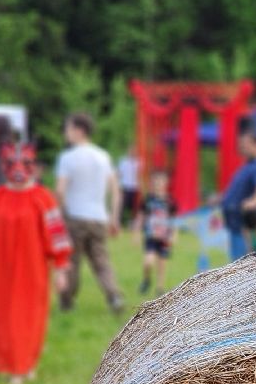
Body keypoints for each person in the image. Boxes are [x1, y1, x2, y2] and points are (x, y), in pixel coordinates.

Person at [0, 141, 71, 384]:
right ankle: (9, 363)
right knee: (2, 317)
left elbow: (57, 236)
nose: (18, 168)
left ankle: (23, 366)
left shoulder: (42, 198)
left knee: (26, 315)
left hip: (31, 271)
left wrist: (61, 268)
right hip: (1, 271)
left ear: (33, 165)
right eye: (11, 163)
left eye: (25, 163)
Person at [55, 112, 123, 313]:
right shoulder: (103, 156)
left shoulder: (67, 158)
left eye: (68, 129)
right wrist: (114, 217)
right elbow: (115, 191)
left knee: (72, 262)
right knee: (101, 262)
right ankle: (114, 296)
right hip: (99, 217)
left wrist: (61, 214)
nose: (66, 133)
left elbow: (60, 191)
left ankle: (67, 301)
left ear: (79, 130)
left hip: (75, 217)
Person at [221, 127, 256, 261]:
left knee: (242, 261)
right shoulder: (248, 165)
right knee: (236, 260)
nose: (242, 148)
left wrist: (253, 203)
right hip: (234, 222)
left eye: (245, 145)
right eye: (241, 145)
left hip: (244, 224)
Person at [137, 169, 174, 296]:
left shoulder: (170, 201)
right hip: (151, 236)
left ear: (166, 183)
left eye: (161, 181)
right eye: (156, 181)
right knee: (148, 262)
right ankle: (146, 279)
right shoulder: (148, 200)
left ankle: (160, 288)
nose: (158, 183)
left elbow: (174, 220)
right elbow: (141, 216)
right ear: (152, 183)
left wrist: (173, 235)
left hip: (164, 237)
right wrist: (136, 232)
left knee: (162, 264)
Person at [117, 150, 141, 230]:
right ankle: (118, 223)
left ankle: (133, 224)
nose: (132, 152)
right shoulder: (123, 161)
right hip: (125, 187)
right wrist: (118, 186)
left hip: (135, 187)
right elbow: (119, 173)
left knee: (134, 208)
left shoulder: (139, 162)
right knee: (122, 206)